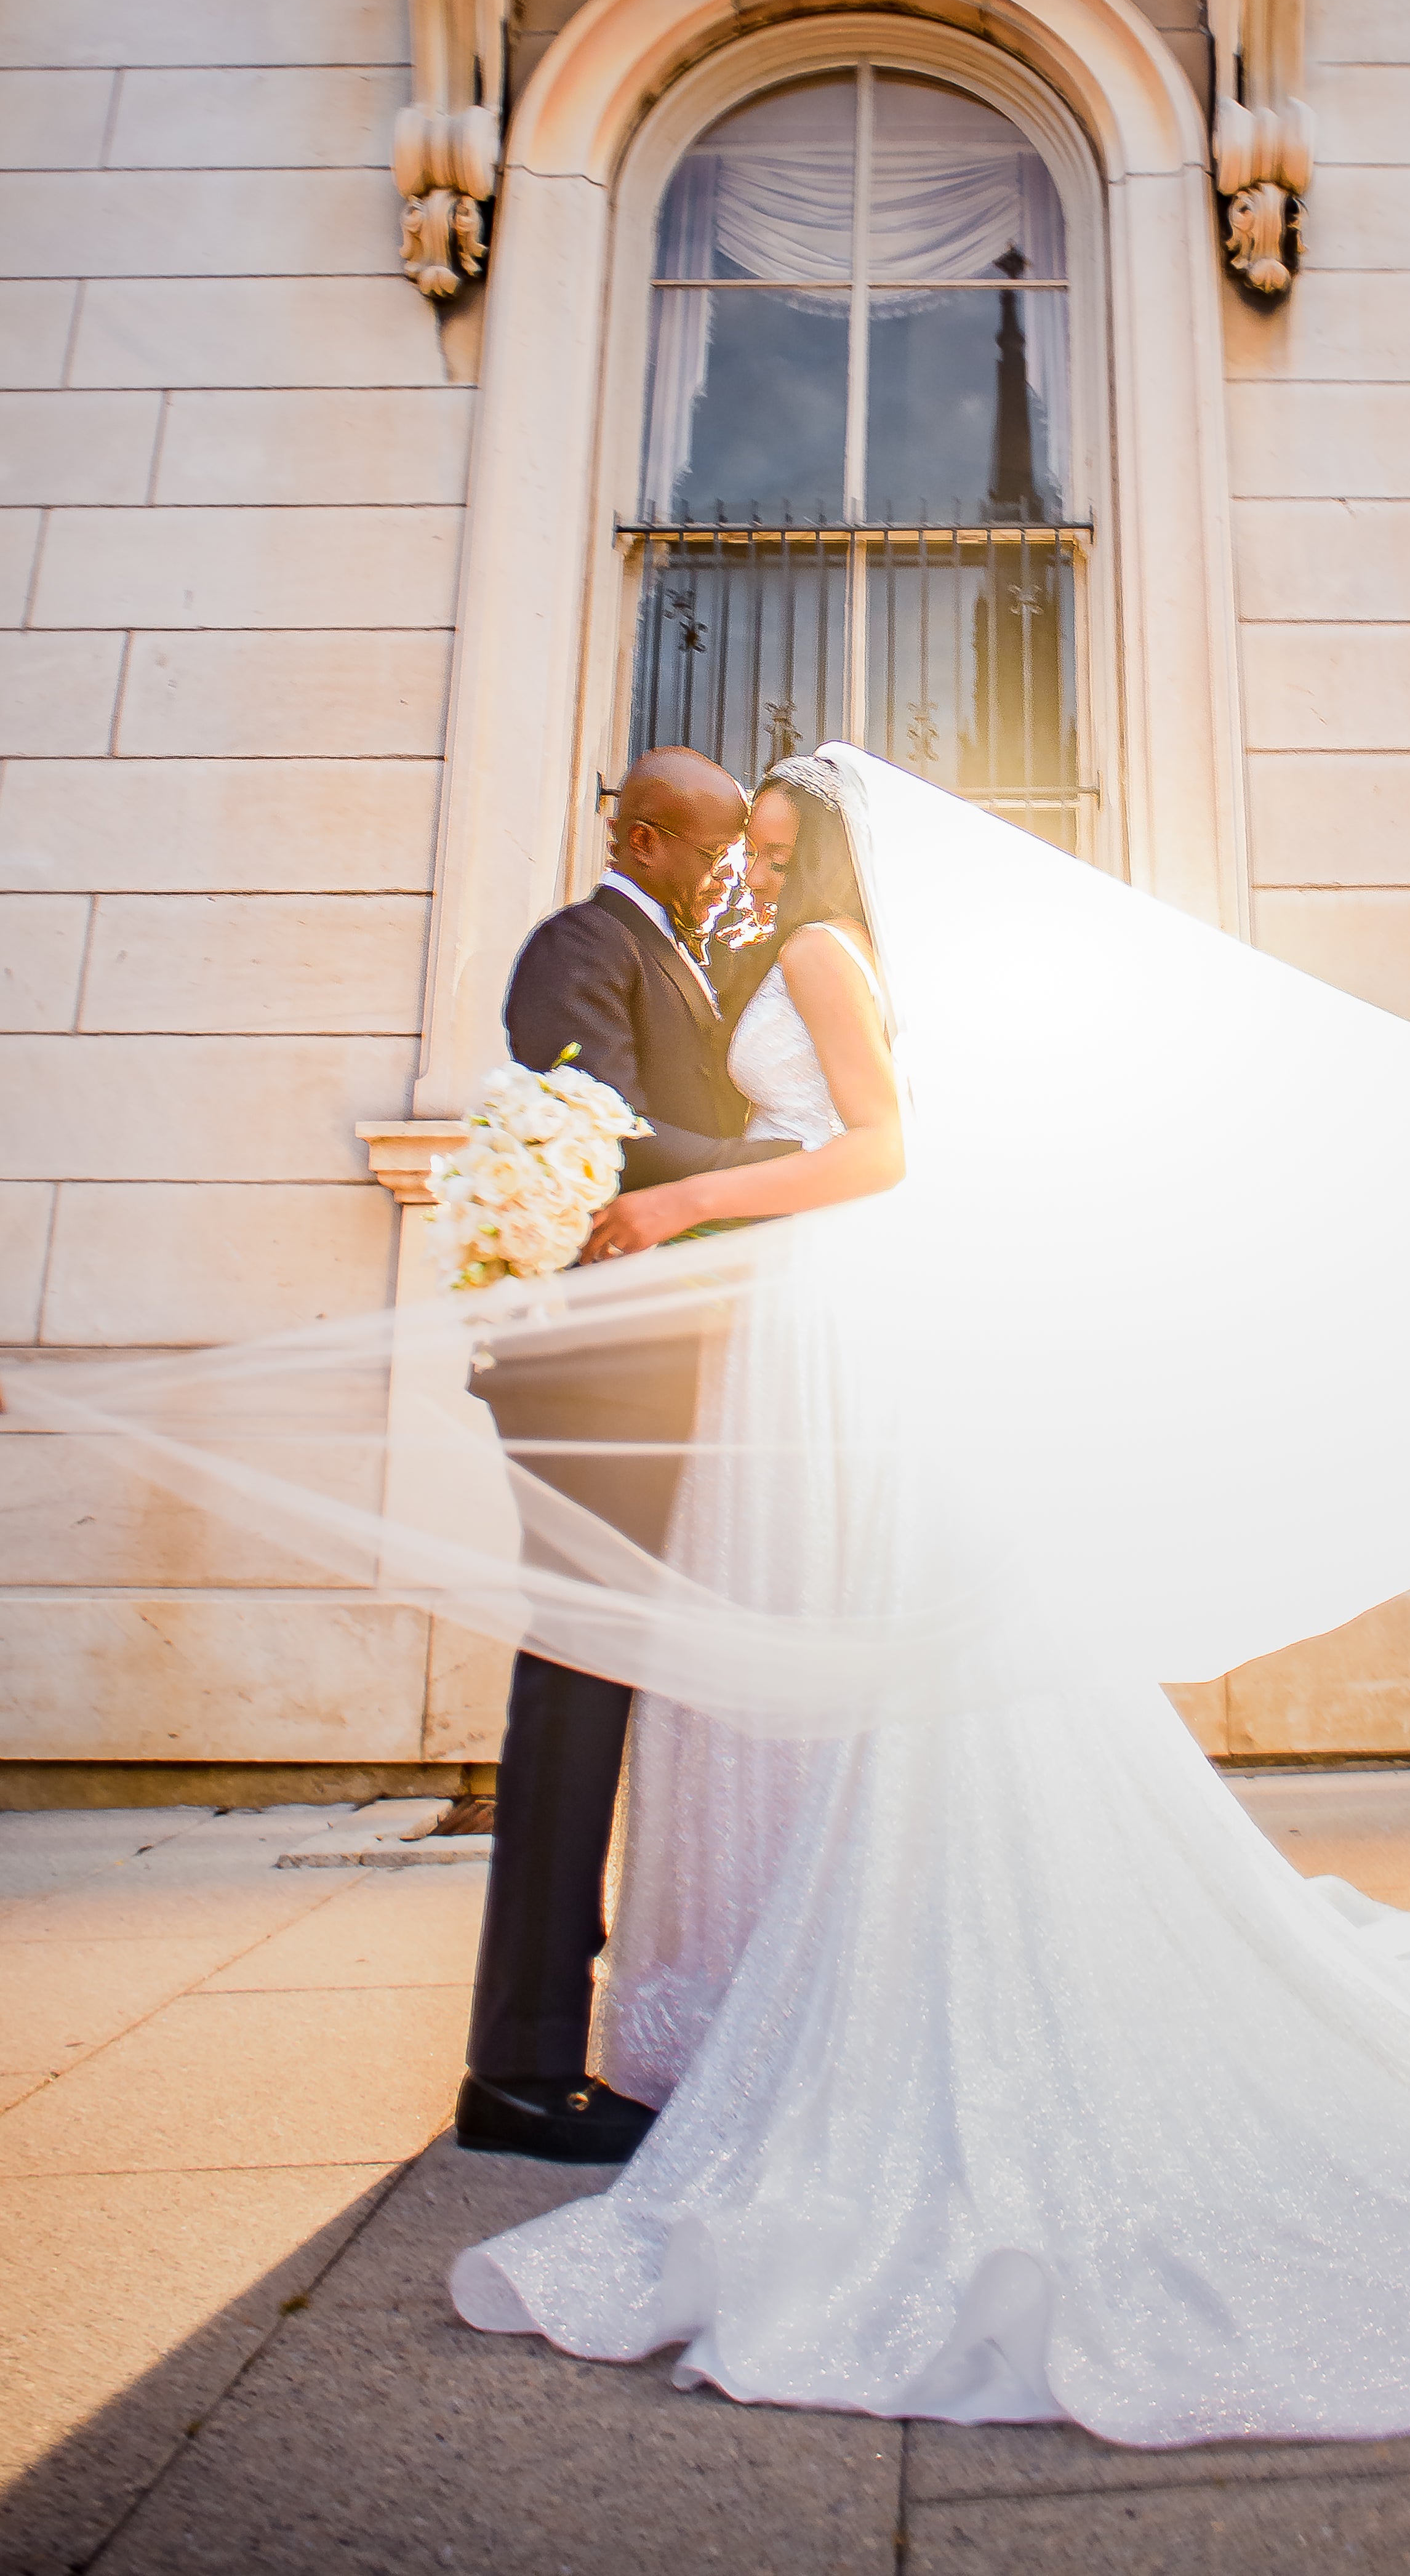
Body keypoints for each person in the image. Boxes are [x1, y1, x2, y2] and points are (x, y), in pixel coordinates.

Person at [448, 751, 1410, 2444]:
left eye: (776, 848)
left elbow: (884, 1148)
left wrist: (685, 1196)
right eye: (745, 851)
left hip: (824, 1330)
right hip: (781, 1342)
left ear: (829, 854)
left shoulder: (830, 960)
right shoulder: (745, 959)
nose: (756, 873)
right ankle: (760, 1986)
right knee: (784, 1667)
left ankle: (842, 1992)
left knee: (871, 1671)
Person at [455, 745, 799, 2164]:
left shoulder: (669, 947)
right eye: (717, 847)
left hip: (656, 1362)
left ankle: (576, 2028)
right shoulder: (578, 944)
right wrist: (769, 1154)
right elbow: (589, 1125)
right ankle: (521, 2067)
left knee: (614, 1682)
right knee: (577, 1682)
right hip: (588, 1370)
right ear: (648, 837)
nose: (729, 871)